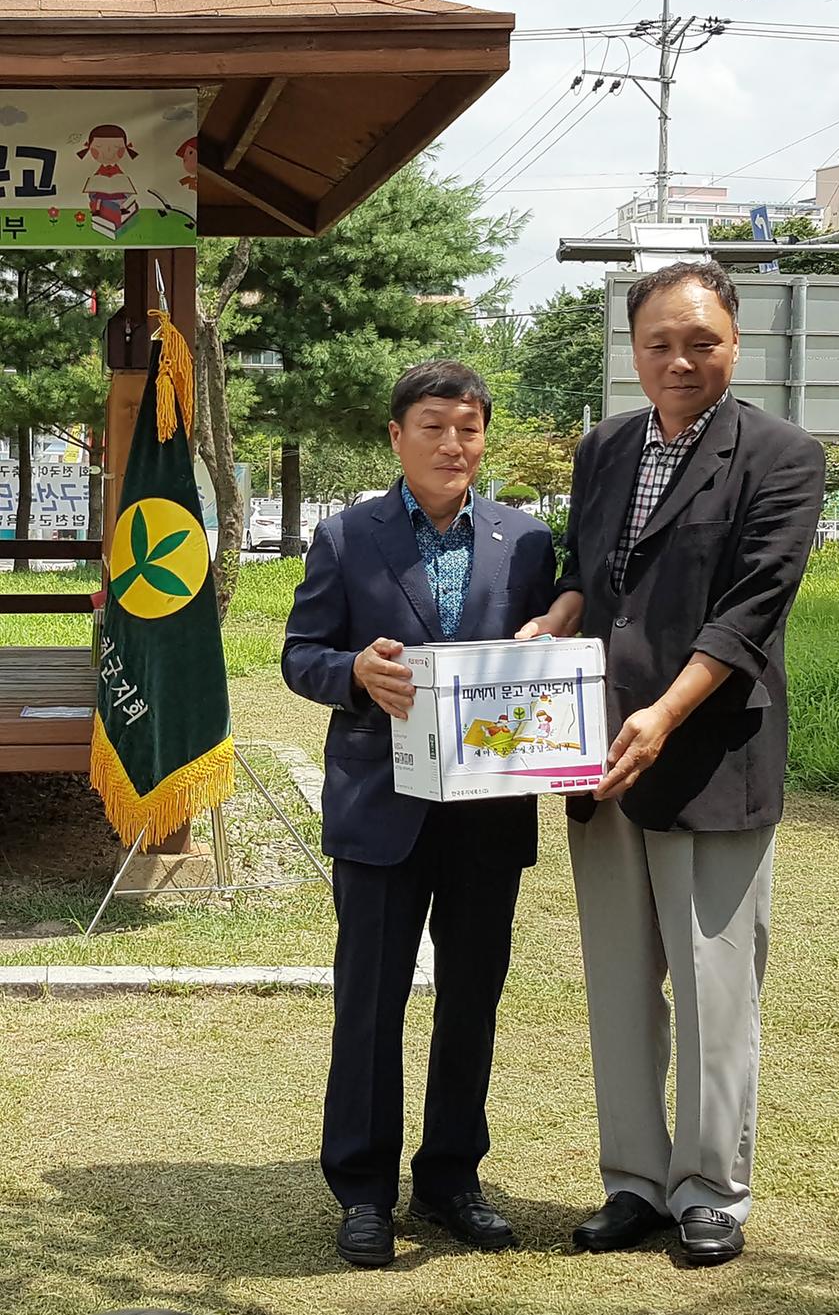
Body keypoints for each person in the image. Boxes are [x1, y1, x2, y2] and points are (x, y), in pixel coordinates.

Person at [519, 262, 825, 1268]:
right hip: (597, 754)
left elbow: (750, 610)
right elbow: (587, 571)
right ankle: (633, 1182)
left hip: (706, 756)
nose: (679, 359)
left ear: (735, 340)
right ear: (632, 348)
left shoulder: (781, 456)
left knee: (712, 988)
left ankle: (709, 1191)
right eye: (658, 342)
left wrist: (660, 713)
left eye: (700, 340)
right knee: (615, 982)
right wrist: (554, 617)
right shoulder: (604, 446)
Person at [282, 360, 555, 1270]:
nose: (453, 444)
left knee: (472, 998)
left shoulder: (527, 542)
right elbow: (300, 655)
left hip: (488, 811)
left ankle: (450, 1178)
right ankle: (362, 1189)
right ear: (396, 436)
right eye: (434, 425)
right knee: (370, 1004)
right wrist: (354, 672)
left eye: (469, 427)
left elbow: (547, 655)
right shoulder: (346, 536)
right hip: (378, 807)